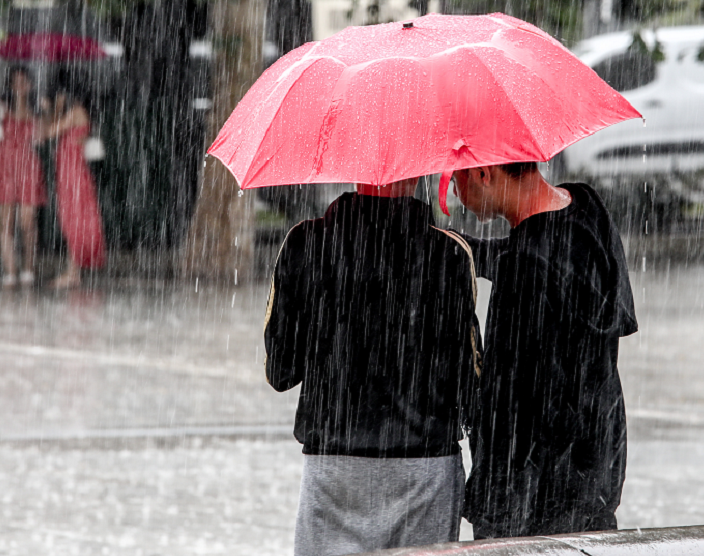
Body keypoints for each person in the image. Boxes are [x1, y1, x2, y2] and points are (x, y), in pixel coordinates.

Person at [264, 177, 480, 556]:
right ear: (418, 170)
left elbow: (280, 372)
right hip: (425, 468)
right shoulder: (450, 253)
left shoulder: (305, 243)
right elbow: (471, 386)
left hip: (334, 466)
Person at [452, 162, 637, 539]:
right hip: (595, 476)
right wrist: (468, 249)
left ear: (485, 172)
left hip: (534, 507)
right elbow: (541, 252)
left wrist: (492, 510)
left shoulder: (526, 271)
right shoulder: (585, 211)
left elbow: (512, 410)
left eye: (454, 176)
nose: (454, 191)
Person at [0, 66, 46, 288]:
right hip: (4, 164)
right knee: (5, 221)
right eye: (14, 82)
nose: (18, 86)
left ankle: (28, 267)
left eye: (23, 81)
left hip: (28, 166)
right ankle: (10, 271)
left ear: (30, 85)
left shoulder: (37, 111)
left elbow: (43, 139)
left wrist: (48, 112)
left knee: (27, 221)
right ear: (10, 85)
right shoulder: (2, 108)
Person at [39, 81, 104, 289]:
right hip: (69, 176)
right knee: (72, 221)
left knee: (75, 220)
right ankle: (73, 270)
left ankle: (73, 272)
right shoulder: (78, 112)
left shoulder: (76, 111)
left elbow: (49, 132)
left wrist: (53, 108)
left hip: (74, 177)